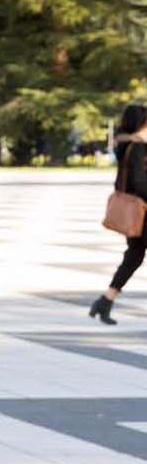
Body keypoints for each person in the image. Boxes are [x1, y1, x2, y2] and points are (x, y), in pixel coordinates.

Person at [90, 104, 147, 324]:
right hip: (143, 211)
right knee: (133, 256)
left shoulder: (125, 145)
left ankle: (105, 301)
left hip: (135, 213)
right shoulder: (138, 146)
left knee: (134, 256)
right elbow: (139, 182)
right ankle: (104, 301)